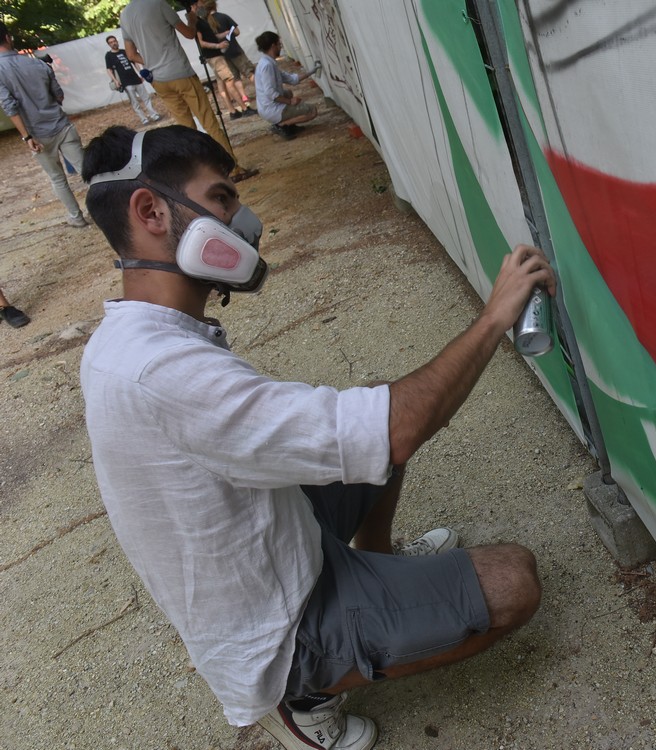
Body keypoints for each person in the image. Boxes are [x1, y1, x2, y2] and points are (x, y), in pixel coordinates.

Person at [80, 124, 552, 750]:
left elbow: (364, 429)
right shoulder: (163, 372)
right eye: (220, 198)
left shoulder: (131, 336)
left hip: (275, 541)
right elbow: (395, 428)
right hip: (279, 627)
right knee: (514, 581)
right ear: (151, 212)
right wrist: (494, 318)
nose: (244, 221)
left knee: (373, 416)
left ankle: (379, 565)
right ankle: (302, 696)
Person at [119, 0, 256, 182]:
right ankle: (232, 169)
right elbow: (189, 34)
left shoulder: (125, 15)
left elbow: (130, 54)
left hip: (159, 80)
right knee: (209, 123)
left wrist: (152, 63)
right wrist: (192, 18)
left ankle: (200, 177)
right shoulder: (159, 4)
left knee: (185, 131)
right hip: (180, 73)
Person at [0, 22, 90, 227]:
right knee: (87, 171)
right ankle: (107, 207)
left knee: (57, 179)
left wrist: (27, 137)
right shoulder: (38, 64)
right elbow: (59, 96)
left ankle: (76, 217)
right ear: (8, 37)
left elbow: (10, 107)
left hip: (37, 135)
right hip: (62, 125)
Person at [194, 0, 253, 120]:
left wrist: (224, 34)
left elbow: (212, 37)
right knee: (229, 81)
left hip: (216, 56)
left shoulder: (202, 21)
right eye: (199, 3)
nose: (201, 5)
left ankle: (232, 111)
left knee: (221, 83)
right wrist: (218, 46)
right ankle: (244, 108)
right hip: (215, 57)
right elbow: (201, 43)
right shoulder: (198, 23)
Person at [255, 31, 318, 140]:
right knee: (312, 111)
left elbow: (291, 79)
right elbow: (270, 93)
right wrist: (290, 102)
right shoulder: (267, 66)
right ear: (273, 46)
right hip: (270, 109)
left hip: (267, 106)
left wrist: (312, 71)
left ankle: (289, 125)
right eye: (279, 44)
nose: (281, 47)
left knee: (288, 93)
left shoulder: (267, 61)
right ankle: (282, 125)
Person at [104, 35, 162, 126]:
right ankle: (144, 119)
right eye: (111, 42)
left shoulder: (124, 51)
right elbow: (109, 69)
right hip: (125, 82)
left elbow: (134, 62)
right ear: (108, 44)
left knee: (146, 98)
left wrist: (140, 73)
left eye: (114, 41)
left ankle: (154, 115)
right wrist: (115, 80)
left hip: (136, 78)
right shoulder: (109, 55)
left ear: (117, 41)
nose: (113, 43)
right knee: (135, 102)